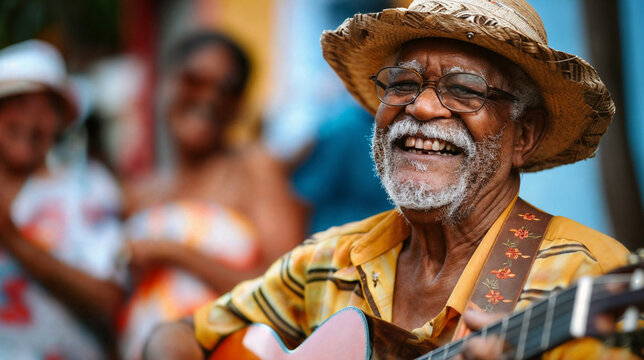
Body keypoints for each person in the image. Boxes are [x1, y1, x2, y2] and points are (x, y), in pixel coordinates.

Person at [143, 1, 634, 359]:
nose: (420, 106)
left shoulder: (584, 278)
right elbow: (176, 335)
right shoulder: (329, 260)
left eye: (464, 89)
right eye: (402, 83)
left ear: (522, 135)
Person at [119, 31, 306, 359]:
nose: (209, 97)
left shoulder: (254, 169)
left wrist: (173, 253)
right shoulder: (139, 192)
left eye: (227, 89)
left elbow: (286, 290)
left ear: (240, 105)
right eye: (193, 80)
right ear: (165, 84)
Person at [0, 40, 125, 359]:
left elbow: (109, 298)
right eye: (19, 103)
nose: (33, 119)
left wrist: (16, 243)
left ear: (61, 121)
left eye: (48, 107)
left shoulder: (89, 189)